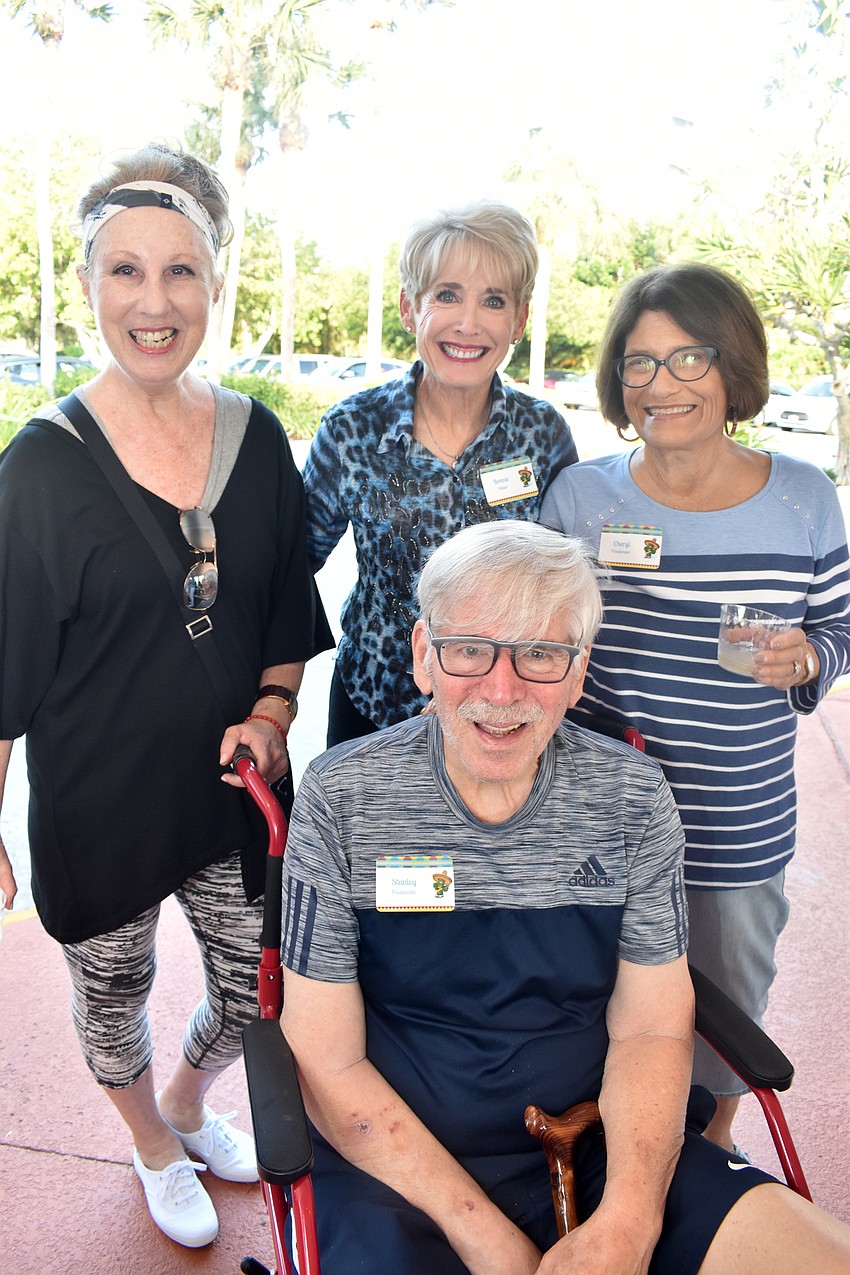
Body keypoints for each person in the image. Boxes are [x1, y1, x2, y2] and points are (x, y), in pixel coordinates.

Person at [279, 520, 850, 1275]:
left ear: (579, 673)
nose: (502, 690)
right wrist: (490, 1240)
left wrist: (630, 1221)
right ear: (423, 656)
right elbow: (326, 1061)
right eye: (469, 649)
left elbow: (651, 1029)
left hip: (610, 1143)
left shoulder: (632, 797)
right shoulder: (343, 797)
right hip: (397, 1169)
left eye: (542, 655)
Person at [0, 143, 333, 1249]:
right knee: (113, 995)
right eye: (126, 271)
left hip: (231, 796)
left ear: (216, 281)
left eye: (181, 270)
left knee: (255, 988)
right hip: (97, 803)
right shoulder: (40, 465)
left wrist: (273, 716)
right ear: (87, 284)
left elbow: (285, 614)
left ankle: (188, 1103)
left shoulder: (258, 437)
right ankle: (149, 1141)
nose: (155, 302)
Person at [539, 262, 850, 1152]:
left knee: (728, 996)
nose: (661, 384)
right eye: (639, 362)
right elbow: (543, 633)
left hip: (737, 814)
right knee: (592, 988)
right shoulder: (583, 497)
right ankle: (597, 1140)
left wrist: (809, 657)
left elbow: (839, 626)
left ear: (732, 365)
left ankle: (712, 1143)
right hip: (599, 810)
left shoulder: (803, 496)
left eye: (689, 358)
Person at [303, 199, 578, 746]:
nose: (468, 323)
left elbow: (564, 584)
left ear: (519, 320)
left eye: (493, 300)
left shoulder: (543, 435)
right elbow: (290, 565)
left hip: (502, 714)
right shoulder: (353, 429)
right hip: (374, 707)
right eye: (447, 295)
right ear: (410, 308)